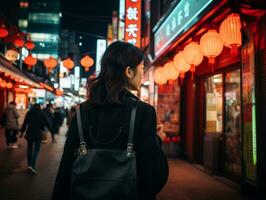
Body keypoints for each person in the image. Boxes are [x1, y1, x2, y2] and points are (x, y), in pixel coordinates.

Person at [52, 41, 169, 200]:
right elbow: (153, 180)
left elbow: (64, 174)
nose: (143, 72)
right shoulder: (143, 112)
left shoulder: (82, 112)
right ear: (129, 72)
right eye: (142, 68)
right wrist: (157, 140)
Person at [20, 103, 54, 174]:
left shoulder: (29, 113)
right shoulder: (41, 113)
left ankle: (29, 166)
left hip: (29, 133)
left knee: (29, 150)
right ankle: (32, 165)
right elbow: (47, 123)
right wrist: (51, 132)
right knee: (36, 150)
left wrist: (22, 132)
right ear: (39, 107)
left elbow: (25, 123)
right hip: (38, 134)